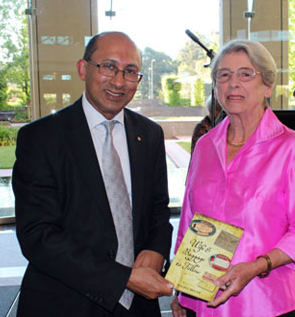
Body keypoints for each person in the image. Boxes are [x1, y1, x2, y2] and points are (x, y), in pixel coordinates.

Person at [13, 31, 174, 317]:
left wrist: (156, 250)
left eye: (130, 71)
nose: (118, 81)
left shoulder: (149, 135)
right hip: (65, 302)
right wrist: (121, 278)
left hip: (138, 306)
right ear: (83, 68)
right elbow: (38, 234)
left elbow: (159, 209)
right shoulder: (40, 138)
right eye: (108, 66)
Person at [171, 39, 295, 317]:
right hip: (202, 300)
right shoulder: (205, 146)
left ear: (267, 86)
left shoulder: (293, 148)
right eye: (224, 75)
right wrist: (181, 287)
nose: (233, 84)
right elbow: (189, 220)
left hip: (266, 301)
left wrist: (256, 266)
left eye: (245, 74)